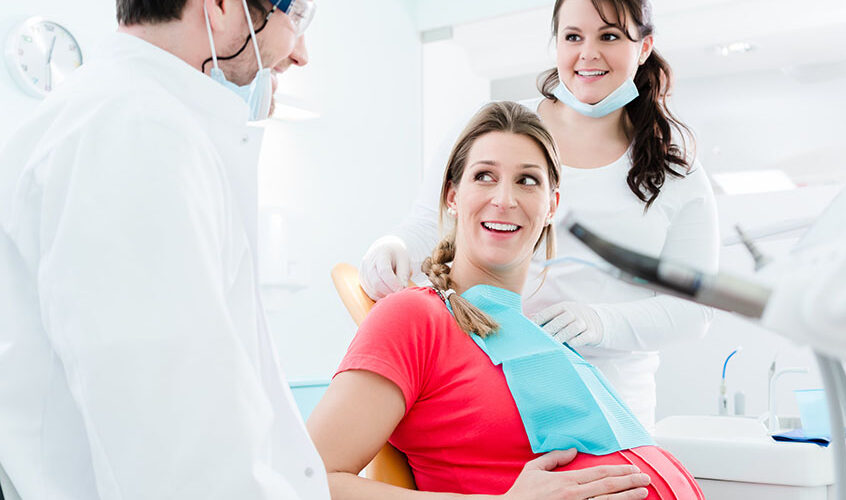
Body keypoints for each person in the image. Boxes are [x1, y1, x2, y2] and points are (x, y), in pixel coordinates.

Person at [0, 1, 326, 498]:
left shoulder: (123, 117)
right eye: (296, 19)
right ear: (219, 7)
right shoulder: (134, 133)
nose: (300, 53)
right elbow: (178, 456)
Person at [307, 101, 703, 499]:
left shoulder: (534, 338)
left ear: (552, 206)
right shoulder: (415, 315)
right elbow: (305, 479)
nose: (504, 199)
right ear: (452, 197)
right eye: (484, 176)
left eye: (527, 181)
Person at [359, 0, 720, 430]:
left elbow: (695, 310)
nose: (588, 53)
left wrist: (601, 322)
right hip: (488, 385)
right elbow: (432, 221)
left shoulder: (674, 170)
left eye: (609, 36)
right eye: (573, 37)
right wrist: (392, 247)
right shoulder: (500, 130)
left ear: (644, 47)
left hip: (608, 408)